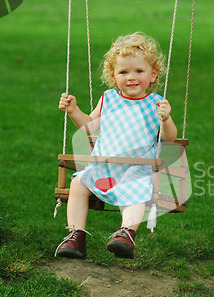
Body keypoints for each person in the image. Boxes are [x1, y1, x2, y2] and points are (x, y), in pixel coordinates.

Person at [55, 32, 177, 260]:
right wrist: (74, 112)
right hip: (104, 168)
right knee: (79, 184)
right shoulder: (108, 99)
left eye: (139, 71)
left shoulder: (156, 104)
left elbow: (169, 139)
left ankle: (126, 233)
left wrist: (167, 119)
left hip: (136, 170)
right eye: (124, 72)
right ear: (113, 76)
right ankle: (76, 236)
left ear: (153, 75)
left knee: (138, 191)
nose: (131, 77)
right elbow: (89, 127)